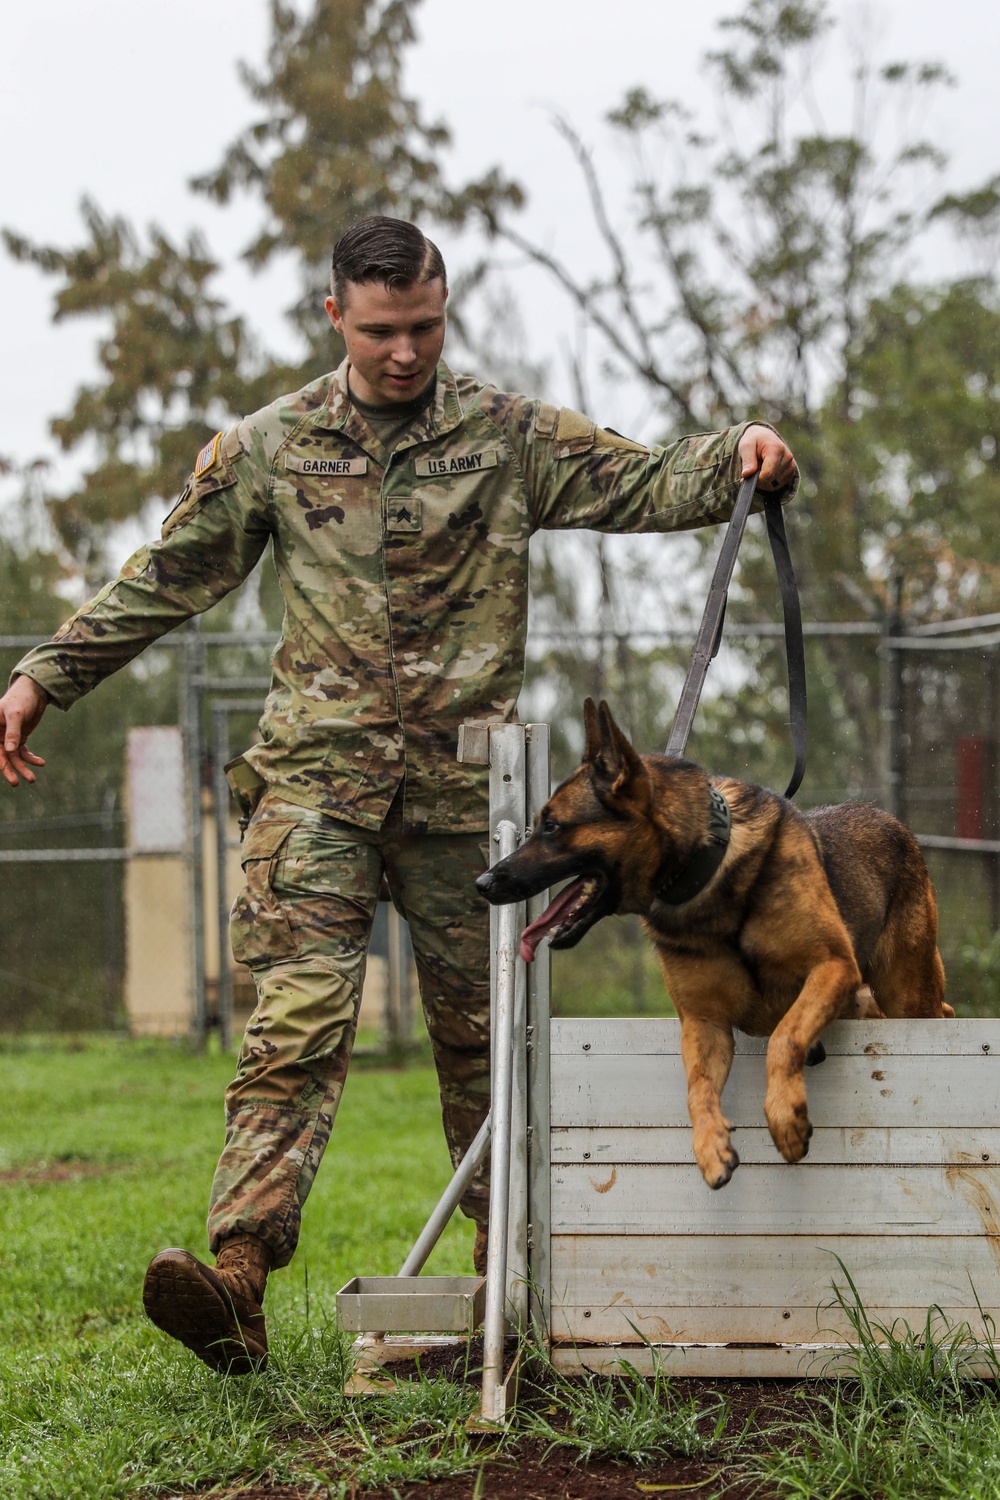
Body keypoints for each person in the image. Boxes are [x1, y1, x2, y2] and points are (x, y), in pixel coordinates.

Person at [0, 215, 798, 1374]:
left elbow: (642, 479)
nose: (405, 353)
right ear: (335, 316)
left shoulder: (507, 437)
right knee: (293, 1030)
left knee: (486, 1048)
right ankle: (237, 1279)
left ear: (442, 304)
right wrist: (40, 680)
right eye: (380, 331)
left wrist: (742, 451)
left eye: (423, 326)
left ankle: (503, 1286)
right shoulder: (271, 447)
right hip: (315, 792)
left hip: (468, 810)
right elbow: (166, 575)